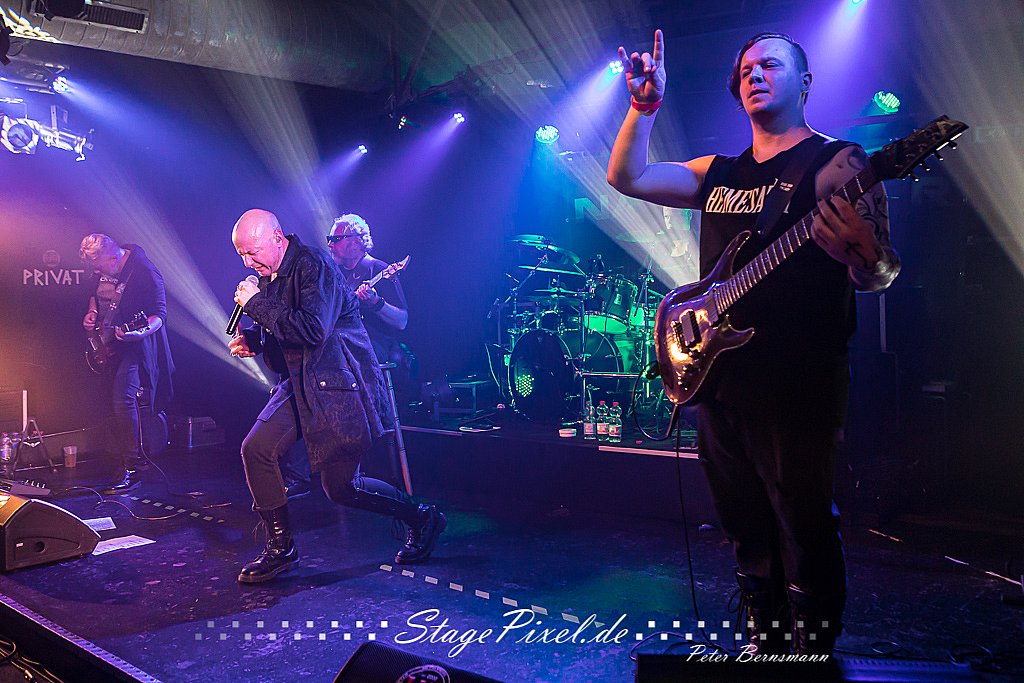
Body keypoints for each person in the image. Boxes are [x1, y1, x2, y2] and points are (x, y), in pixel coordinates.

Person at [607, 31, 900, 655]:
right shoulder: (719, 173)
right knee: (743, 523)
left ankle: (810, 650)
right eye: (745, 69)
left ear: (805, 82)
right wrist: (643, 107)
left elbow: (880, 273)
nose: (754, 75)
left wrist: (864, 255)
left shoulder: (839, 164)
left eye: (770, 64)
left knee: (803, 522)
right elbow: (626, 176)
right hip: (720, 378)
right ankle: (763, 642)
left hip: (800, 379)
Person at [227, 209, 444, 583]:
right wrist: (255, 340)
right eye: (242, 255)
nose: (248, 263)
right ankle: (281, 549)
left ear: (277, 239)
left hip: (339, 387)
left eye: (253, 252)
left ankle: (422, 517)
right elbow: (286, 332)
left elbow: (313, 330)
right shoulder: (271, 274)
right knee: (256, 449)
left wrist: (256, 304)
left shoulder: (313, 265)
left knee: (341, 489)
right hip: (301, 383)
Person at [80, 234, 174, 495]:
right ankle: (128, 458)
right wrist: (92, 312)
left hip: (136, 346)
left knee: (123, 397)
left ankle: (132, 466)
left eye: (100, 267)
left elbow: (159, 315)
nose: (98, 272)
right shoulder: (103, 268)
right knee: (113, 399)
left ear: (113, 257)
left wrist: (139, 332)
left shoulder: (144, 271)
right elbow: (94, 293)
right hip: (110, 343)